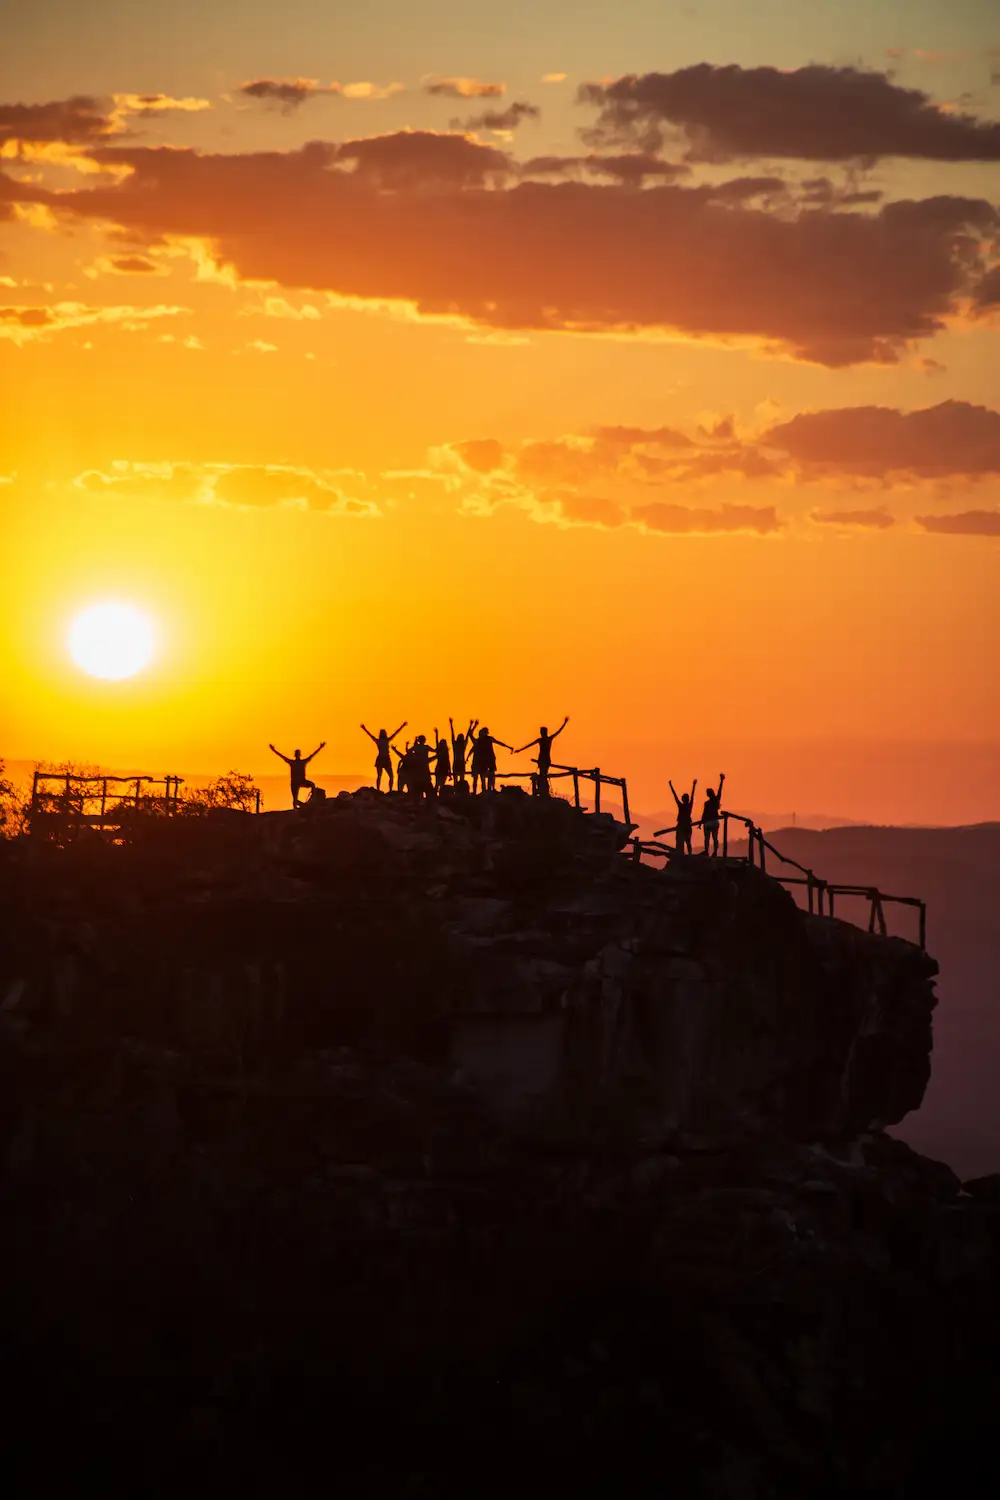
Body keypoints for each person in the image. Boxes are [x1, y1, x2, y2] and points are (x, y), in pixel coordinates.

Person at [514, 715, 569, 797]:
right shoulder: (543, 740)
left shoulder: (547, 739)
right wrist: (520, 750)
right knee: (542, 774)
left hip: (545, 759)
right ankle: (543, 790)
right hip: (542, 759)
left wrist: (564, 723)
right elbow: (529, 745)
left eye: (542, 732)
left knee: (543, 774)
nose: (542, 734)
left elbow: (558, 731)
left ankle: (544, 790)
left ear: (544, 732)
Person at [269, 740, 326, 808]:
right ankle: (298, 807)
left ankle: (311, 800)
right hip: (295, 783)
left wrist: (320, 747)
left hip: (301, 781)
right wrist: (274, 750)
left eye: (298, 754)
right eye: (297, 754)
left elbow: (312, 755)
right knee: (295, 800)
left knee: (312, 785)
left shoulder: (301, 762)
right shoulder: (293, 762)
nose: (297, 755)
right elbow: (282, 756)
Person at [361, 721, 407, 792]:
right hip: (382, 758)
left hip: (385, 759)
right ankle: (380, 789)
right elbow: (370, 735)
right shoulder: (382, 740)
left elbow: (395, 733)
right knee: (381, 776)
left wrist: (402, 726)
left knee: (389, 776)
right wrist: (364, 729)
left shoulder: (382, 740)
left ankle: (389, 790)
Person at [470, 725, 512, 794]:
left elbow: (499, 742)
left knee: (491, 774)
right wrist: (474, 725)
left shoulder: (489, 739)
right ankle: (486, 790)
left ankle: (491, 788)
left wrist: (508, 747)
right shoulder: (479, 741)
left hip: (490, 759)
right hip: (484, 761)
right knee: (484, 776)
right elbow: (472, 747)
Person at [668, 776, 697, 855]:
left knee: (680, 841)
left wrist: (671, 786)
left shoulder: (681, 806)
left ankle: (681, 854)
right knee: (688, 842)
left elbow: (675, 796)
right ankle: (689, 854)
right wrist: (694, 785)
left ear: (683, 799)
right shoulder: (689, 805)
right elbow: (692, 795)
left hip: (681, 825)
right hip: (687, 825)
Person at [449, 717, 477, 791]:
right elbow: (454, 735)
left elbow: (454, 735)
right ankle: (458, 791)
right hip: (459, 762)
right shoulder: (459, 745)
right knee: (459, 780)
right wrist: (451, 724)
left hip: (458, 762)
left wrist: (471, 725)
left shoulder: (459, 745)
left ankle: (459, 791)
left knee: (459, 780)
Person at [702, 773, 726, 856]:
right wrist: (721, 781)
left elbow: (704, 813)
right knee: (715, 838)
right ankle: (715, 852)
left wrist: (701, 822)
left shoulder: (707, 803)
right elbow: (720, 791)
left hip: (708, 822)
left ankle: (706, 851)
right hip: (715, 821)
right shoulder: (716, 800)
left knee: (707, 838)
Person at [432, 728, 451, 795]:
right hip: (441, 768)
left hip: (443, 768)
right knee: (439, 784)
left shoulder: (444, 751)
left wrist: (449, 771)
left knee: (440, 784)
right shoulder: (442, 751)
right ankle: (437, 795)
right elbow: (448, 762)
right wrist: (436, 734)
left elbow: (448, 762)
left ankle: (438, 795)